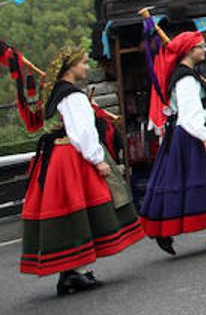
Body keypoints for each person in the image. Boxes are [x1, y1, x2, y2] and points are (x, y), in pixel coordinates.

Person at [19, 46, 143, 294]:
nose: (87, 67)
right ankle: (75, 272)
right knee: (82, 210)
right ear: (70, 67)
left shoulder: (55, 92)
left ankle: (73, 271)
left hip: (55, 156)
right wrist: (98, 160)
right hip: (71, 158)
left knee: (69, 211)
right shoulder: (72, 95)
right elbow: (83, 132)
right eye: (83, 63)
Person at [139, 31, 206, 255]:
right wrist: (205, 137)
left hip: (191, 132)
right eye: (201, 47)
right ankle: (163, 230)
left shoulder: (189, 75)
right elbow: (189, 113)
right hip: (191, 135)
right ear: (189, 51)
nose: (205, 50)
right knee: (192, 182)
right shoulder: (185, 78)